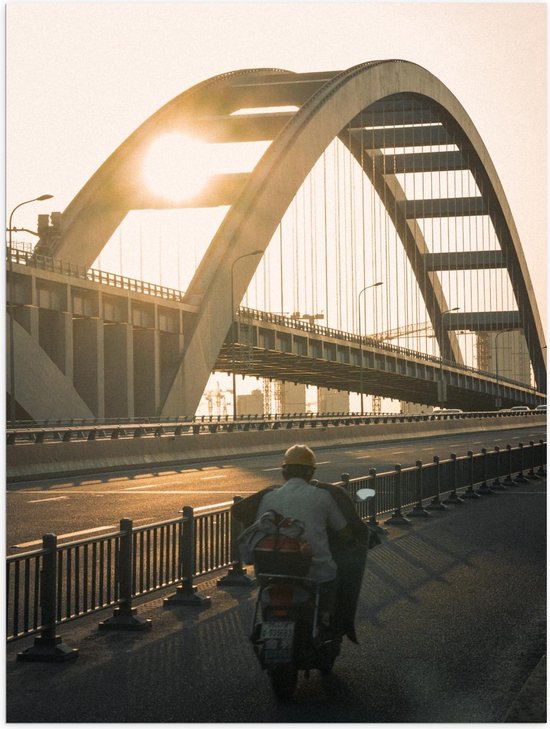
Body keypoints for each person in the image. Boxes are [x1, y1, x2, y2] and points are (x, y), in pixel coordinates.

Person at [232, 444, 368, 641]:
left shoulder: (269, 497)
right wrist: (351, 540)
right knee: (332, 581)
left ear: (284, 472)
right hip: (314, 570)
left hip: (271, 570)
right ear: (310, 472)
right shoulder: (324, 496)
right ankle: (327, 624)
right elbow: (343, 530)